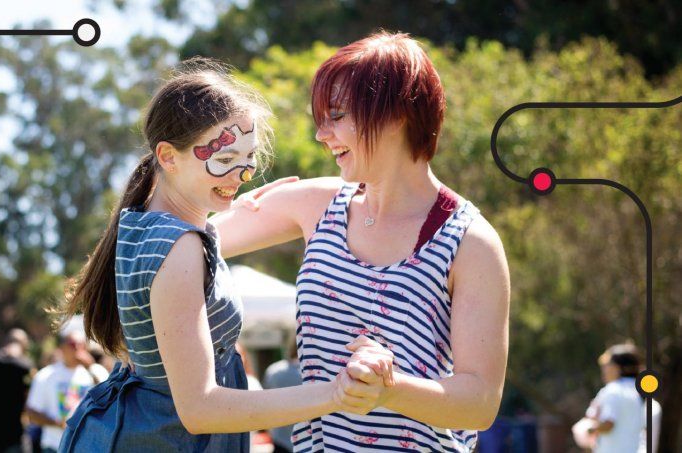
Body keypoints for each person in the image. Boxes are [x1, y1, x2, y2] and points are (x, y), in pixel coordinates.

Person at [57, 59, 391, 452]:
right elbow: (200, 408)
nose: (239, 174)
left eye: (247, 161)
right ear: (168, 157)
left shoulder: (143, 226)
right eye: (224, 160)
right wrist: (335, 395)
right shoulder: (180, 247)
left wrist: (234, 208)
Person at [211, 31, 510, 451]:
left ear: (397, 115)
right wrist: (218, 200)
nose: (321, 134)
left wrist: (390, 389)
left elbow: (479, 402)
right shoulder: (316, 204)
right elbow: (187, 240)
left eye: (336, 115)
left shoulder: (469, 241)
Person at [26, 331, 97, 452]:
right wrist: (58, 424)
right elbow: (32, 413)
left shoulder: (92, 373)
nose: (79, 349)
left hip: (87, 446)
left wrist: (91, 367)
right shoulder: (45, 375)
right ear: (62, 348)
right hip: (54, 446)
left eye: (82, 345)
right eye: (73, 344)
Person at [582, 343, 645, 453]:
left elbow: (608, 424)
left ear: (617, 368)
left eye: (607, 365)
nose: (604, 369)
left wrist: (589, 429)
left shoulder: (612, 390)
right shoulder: (637, 390)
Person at [263, 335, 302, 453]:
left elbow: (264, 406)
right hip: (308, 440)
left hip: (280, 440)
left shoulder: (274, 370)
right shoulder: (313, 374)